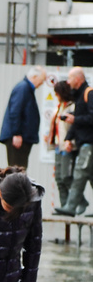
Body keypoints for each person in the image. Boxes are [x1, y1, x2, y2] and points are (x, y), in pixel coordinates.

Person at [56, 66, 93, 216]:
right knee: (90, 176)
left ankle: (70, 207)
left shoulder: (88, 93)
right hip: (83, 142)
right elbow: (76, 122)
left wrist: (75, 119)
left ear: (78, 79)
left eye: (70, 78)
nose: (68, 82)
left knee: (80, 174)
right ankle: (72, 206)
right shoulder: (79, 97)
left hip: (89, 143)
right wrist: (68, 139)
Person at [0, 65, 46, 169]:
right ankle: (15, 186)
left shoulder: (26, 89)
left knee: (19, 169)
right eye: (42, 80)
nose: (42, 83)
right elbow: (15, 111)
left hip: (22, 136)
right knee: (17, 170)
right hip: (18, 137)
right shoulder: (23, 88)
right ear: (34, 76)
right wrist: (16, 133)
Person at [47, 80, 76, 213]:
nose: (56, 95)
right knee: (58, 178)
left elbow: (73, 127)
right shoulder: (59, 107)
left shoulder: (72, 107)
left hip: (67, 145)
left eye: (57, 93)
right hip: (58, 145)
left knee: (66, 176)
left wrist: (71, 141)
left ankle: (74, 203)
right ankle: (64, 205)